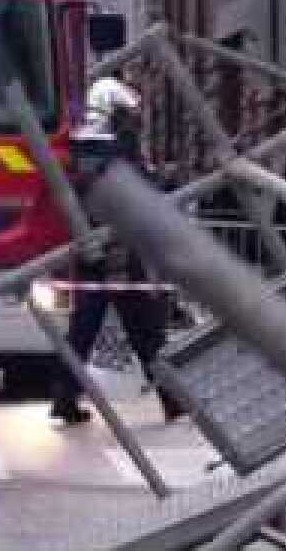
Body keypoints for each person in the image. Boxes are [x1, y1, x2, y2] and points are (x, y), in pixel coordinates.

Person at [50, 69, 185, 426]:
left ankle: (65, 397)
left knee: (85, 332)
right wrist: (162, 180)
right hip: (119, 251)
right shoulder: (115, 150)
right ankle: (172, 399)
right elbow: (135, 189)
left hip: (96, 255)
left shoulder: (81, 149)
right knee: (146, 333)